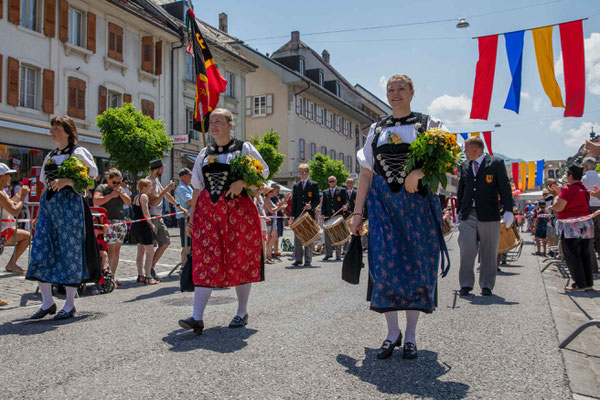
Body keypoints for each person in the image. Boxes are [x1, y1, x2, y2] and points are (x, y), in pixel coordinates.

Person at [350, 74, 449, 360]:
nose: (395, 94)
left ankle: (412, 336)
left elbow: (447, 159)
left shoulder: (428, 124)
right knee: (385, 264)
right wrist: (358, 212)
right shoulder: (377, 128)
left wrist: (419, 173)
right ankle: (392, 333)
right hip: (383, 205)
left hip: (417, 204)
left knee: (417, 264)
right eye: (391, 90)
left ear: (411, 92)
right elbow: (366, 173)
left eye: (401, 89)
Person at [178, 108, 269, 335]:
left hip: (239, 213)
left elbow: (262, 175)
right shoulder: (203, 153)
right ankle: (197, 317)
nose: (214, 126)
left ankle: (241, 311)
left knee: (240, 258)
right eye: (211, 122)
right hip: (209, 214)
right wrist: (191, 221)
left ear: (230, 124)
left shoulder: (243, 148)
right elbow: (197, 190)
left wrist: (242, 183)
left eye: (219, 121)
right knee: (206, 259)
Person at [26, 115, 100, 320]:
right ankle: (47, 302)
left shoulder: (78, 152)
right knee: (41, 249)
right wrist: (39, 214)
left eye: (56, 128)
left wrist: (68, 180)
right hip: (49, 207)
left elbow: (92, 176)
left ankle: (69, 304)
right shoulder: (50, 156)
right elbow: (44, 185)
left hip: (70, 207)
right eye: (52, 128)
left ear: (68, 131)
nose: (52, 132)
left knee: (69, 252)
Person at [456, 136, 513, 296]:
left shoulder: (495, 163)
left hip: (489, 213)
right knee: (466, 248)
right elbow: (462, 188)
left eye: (466, 149)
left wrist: (508, 209)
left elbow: (504, 187)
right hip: (468, 213)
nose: (464, 152)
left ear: (476, 149)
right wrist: (458, 210)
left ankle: (487, 284)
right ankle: (466, 283)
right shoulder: (465, 165)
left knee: (489, 250)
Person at [549, 164, 594, 291]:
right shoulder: (583, 188)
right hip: (585, 224)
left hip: (571, 226)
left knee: (572, 254)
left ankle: (579, 283)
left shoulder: (568, 189)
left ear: (569, 176)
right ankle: (587, 282)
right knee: (585, 254)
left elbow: (559, 207)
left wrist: (556, 197)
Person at [146, 159, 188, 280]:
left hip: (159, 217)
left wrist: (178, 206)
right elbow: (154, 201)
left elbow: (165, 195)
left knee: (165, 242)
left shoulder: (156, 180)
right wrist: (167, 189)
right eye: (162, 168)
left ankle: (151, 267)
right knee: (150, 247)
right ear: (157, 169)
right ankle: (148, 270)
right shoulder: (148, 181)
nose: (163, 170)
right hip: (152, 216)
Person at [93, 168, 130, 286]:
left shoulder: (121, 189)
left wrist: (121, 193)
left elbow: (129, 203)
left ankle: (112, 276)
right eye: (114, 182)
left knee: (117, 249)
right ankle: (105, 274)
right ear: (108, 180)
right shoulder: (102, 188)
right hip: (107, 222)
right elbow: (96, 200)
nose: (116, 185)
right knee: (109, 249)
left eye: (119, 182)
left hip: (119, 222)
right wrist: (110, 196)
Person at [0, 164, 31, 276]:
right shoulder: (1, 193)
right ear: (2, 176)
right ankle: (12, 264)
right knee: (27, 236)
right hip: (2, 232)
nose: (11, 178)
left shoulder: (2, 192)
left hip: (5, 231)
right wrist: (22, 197)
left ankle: (12, 264)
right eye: (9, 175)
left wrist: (19, 194)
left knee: (27, 236)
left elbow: (8, 203)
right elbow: (14, 211)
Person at [129, 179, 159, 285]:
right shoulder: (144, 196)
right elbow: (146, 213)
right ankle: (148, 276)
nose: (151, 189)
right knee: (150, 252)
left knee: (140, 251)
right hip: (143, 226)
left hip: (136, 226)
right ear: (144, 187)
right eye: (150, 186)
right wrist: (151, 224)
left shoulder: (136, 197)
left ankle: (140, 275)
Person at [290, 164, 320, 266]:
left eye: (304, 172)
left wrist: (311, 206)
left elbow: (317, 199)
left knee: (308, 237)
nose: (303, 174)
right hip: (298, 215)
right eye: (301, 172)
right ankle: (298, 259)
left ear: (308, 172)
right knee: (298, 237)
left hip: (309, 215)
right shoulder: (296, 186)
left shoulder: (314, 185)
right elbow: (294, 201)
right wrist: (292, 215)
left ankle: (308, 260)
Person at [321, 176, 348, 261]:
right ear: (328, 182)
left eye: (333, 181)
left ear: (336, 181)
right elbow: (323, 205)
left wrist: (346, 206)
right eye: (330, 181)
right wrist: (322, 214)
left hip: (337, 217)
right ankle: (328, 254)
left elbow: (346, 201)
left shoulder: (342, 190)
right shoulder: (325, 192)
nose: (332, 182)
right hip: (328, 217)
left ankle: (338, 254)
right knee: (327, 237)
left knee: (337, 236)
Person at [581, 157, 600, 273]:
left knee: (589, 238)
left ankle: (593, 267)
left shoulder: (583, 179)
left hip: (588, 210)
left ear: (586, 167)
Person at [175, 168, 194, 264]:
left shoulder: (188, 187)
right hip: (184, 219)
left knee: (191, 244)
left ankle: (189, 264)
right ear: (184, 176)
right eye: (190, 176)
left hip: (189, 218)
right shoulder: (181, 188)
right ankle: (184, 265)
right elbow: (190, 201)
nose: (191, 178)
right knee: (187, 245)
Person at [264, 187, 284, 264]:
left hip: (272, 221)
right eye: (271, 192)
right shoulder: (266, 200)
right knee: (270, 238)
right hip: (270, 221)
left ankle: (268, 255)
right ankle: (268, 256)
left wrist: (280, 206)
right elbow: (271, 210)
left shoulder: (268, 200)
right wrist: (279, 207)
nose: (273, 193)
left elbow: (274, 210)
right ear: (268, 193)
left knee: (272, 237)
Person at [343, 178, 357, 254]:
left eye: (351, 182)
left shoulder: (356, 192)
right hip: (346, 215)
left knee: (354, 232)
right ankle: (345, 249)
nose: (349, 184)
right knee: (346, 232)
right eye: (348, 183)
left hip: (354, 215)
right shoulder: (344, 193)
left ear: (353, 184)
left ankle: (354, 249)